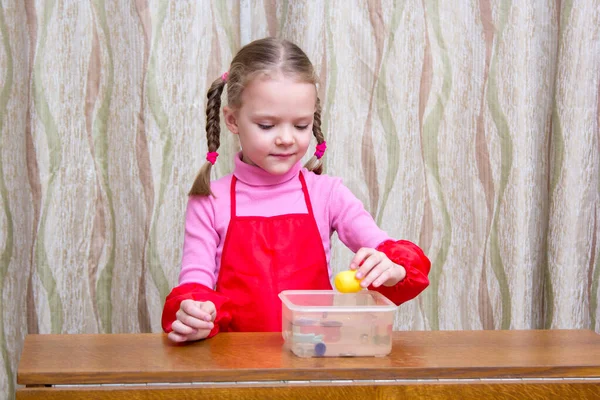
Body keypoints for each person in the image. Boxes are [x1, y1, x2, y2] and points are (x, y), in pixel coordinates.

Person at [162, 37, 430, 343]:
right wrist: (193, 312)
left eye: (301, 125)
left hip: (315, 360)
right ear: (232, 120)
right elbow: (194, 284)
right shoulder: (210, 201)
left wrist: (392, 267)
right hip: (235, 365)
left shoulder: (328, 194)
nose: (287, 139)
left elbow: (392, 254)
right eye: (267, 125)